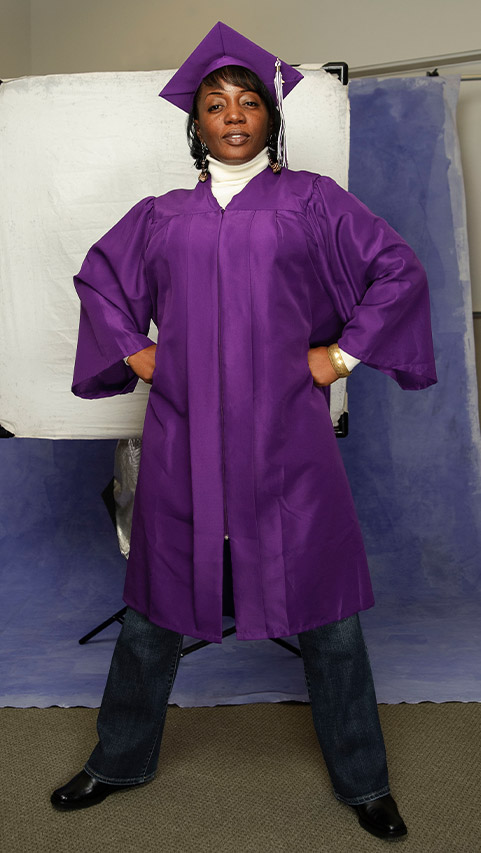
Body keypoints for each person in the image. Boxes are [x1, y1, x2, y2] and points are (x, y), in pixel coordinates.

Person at [51, 22, 437, 841]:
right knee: (152, 610)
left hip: (287, 442)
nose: (231, 114)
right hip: (183, 439)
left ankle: (364, 779)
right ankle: (117, 758)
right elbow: (99, 279)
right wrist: (138, 351)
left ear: (269, 117)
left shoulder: (312, 203)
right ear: (195, 123)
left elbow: (396, 271)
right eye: (214, 103)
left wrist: (340, 356)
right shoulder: (161, 216)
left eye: (247, 101)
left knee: (328, 615)